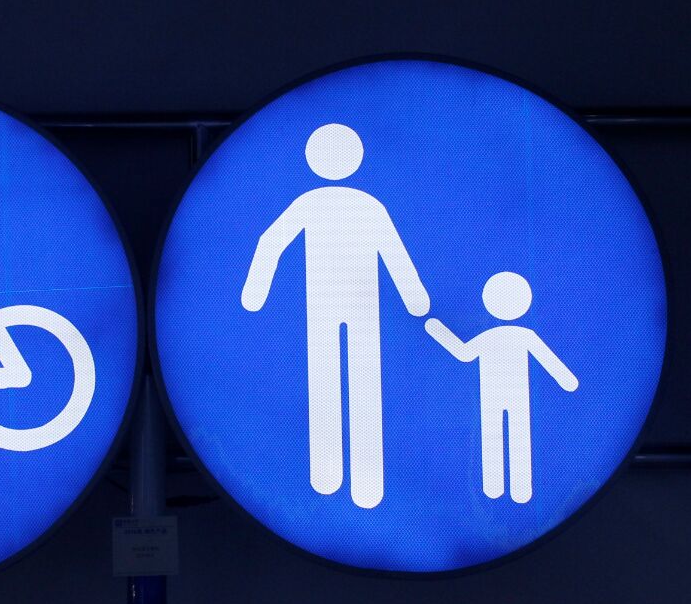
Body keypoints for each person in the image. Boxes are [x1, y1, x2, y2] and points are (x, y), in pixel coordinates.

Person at [242, 123, 429, 508]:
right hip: (354, 308)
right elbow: (395, 254)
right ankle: (363, 481)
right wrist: (415, 299)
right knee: (360, 383)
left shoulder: (313, 203)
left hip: (330, 306)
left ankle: (329, 475)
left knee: (327, 380)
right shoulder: (365, 204)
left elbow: (269, 243)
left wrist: (256, 294)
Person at [424, 271, 578, 503]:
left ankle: (502, 488)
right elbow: (464, 354)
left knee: (500, 436)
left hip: (503, 396)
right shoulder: (519, 335)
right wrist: (566, 380)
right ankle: (512, 489)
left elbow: (463, 353)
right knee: (508, 436)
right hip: (500, 396)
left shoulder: (508, 336)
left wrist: (437, 329)